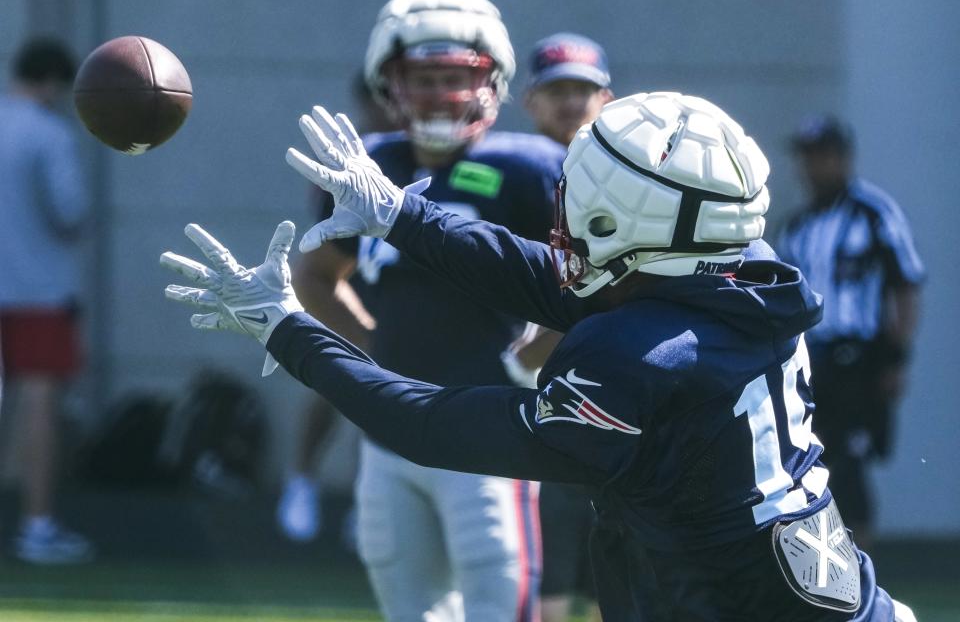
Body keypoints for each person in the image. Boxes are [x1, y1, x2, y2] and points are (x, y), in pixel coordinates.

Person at [162, 92, 918, 621]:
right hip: (836, 598)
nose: (564, 219)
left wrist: (287, 332)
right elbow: (553, 280)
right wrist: (402, 214)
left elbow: (437, 424)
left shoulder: (638, 359)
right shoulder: (740, 271)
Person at [279, 0, 563, 618]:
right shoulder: (368, 163)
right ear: (389, 84)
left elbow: (583, 286)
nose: (439, 93)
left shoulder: (531, 166)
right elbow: (316, 274)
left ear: (491, 80)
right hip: (391, 426)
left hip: (491, 423)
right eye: (423, 77)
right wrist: (371, 350)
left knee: (500, 600)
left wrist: (531, 360)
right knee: (408, 607)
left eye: (453, 76)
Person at [777, 116, 924, 551]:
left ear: (841, 158)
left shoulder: (874, 215)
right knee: (808, 461)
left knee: (853, 464)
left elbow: (906, 285)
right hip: (809, 359)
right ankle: (816, 570)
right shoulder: (796, 227)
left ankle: (862, 572)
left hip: (859, 358)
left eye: (820, 156)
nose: (811, 167)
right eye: (806, 158)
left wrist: (897, 358)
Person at [516, 32, 614, 622]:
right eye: (559, 90)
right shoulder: (509, 171)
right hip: (531, 389)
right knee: (542, 558)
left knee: (619, 553)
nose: (572, 103)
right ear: (530, 101)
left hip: (612, 387)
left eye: (582, 89)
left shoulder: (626, 178)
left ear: (607, 97)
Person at [276, 71, 393, 545]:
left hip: (406, 291)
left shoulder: (421, 153)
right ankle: (301, 481)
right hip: (351, 285)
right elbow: (326, 247)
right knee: (332, 385)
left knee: (395, 395)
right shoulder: (352, 159)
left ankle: (371, 497)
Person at [0, 37, 94, 564]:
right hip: (37, 291)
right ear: (55, 82)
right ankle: (37, 525)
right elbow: (70, 212)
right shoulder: (48, 133)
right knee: (38, 403)